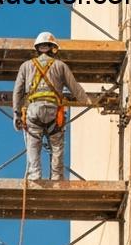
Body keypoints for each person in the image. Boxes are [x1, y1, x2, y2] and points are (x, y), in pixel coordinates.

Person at [12, 31, 92, 181]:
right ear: (53, 48)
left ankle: (35, 174)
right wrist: (88, 101)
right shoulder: (60, 66)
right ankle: (56, 176)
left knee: (33, 143)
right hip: (53, 111)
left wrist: (16, 114)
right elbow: (75, 88)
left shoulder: (26, 66)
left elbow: (17, 91)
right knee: (56, 145)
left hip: (33, 110)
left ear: (37, 48)